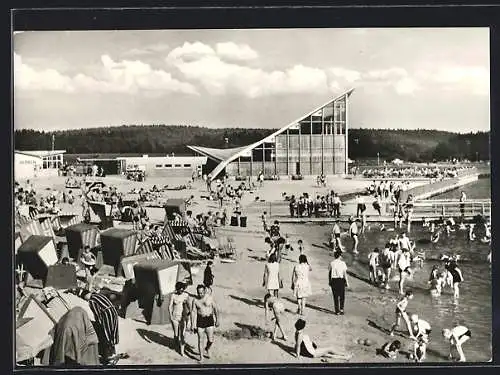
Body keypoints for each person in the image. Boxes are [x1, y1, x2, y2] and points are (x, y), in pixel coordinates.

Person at [73, 289, 120, 364]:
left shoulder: (92, 301)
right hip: (113, 311)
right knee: (112, 330)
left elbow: (97, 313)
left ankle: (107, 355)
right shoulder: (99, 295)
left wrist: (99, 324)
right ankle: (112, 352)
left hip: (107, 314)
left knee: (106, 333)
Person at [191, 284, 219, 362]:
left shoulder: (209, 298)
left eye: (202, 293)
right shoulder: (195, 300)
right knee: (200, 339)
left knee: (211, 340)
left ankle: (207, 348)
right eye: (199, 293)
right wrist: (192, 324)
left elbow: (215, 309)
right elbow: (193, 312)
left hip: (209, 319)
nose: (200, 294)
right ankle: (201, 357)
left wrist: (217, 319)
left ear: (204, 291)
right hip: (200, 320)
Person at [168, 282, 191, 356]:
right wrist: (171, 316)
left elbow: (190, 306)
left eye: (182, 290)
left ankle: (182, 352)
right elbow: (170, 306)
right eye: (180, 290)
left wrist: (189, 315)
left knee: (182, 335)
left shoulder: (186, 295)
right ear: (177, 289)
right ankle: (176, 345)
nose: (181, 291)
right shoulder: (173, 295)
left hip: (183, 317)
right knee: (176, 334)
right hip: (175, 317)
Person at [328, 250, 349, 315]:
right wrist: (347, 282)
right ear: (340, 256)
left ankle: (337, 311)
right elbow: (344, 273)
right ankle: (341, 309)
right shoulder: (343, 263)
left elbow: (330, 272)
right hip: (341, 280)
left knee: (335, 296)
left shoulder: (332, 263)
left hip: (334, 280)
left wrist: (329, 281)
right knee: (342, 296)